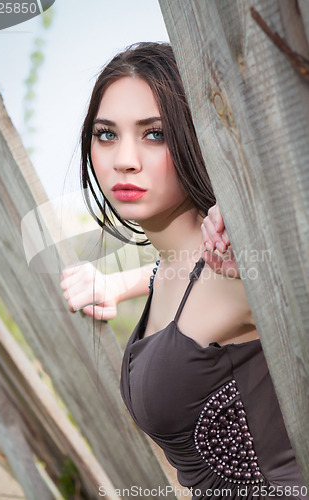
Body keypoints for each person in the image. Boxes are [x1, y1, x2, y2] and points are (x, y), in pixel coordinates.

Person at [60, 42, 307, 500]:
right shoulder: (177, 270)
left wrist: (261, 232)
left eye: (154, 134)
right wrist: (115, 283)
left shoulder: (231, 265)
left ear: (195, 136)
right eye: (106, 134)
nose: (124, 159)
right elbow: (172, 272)